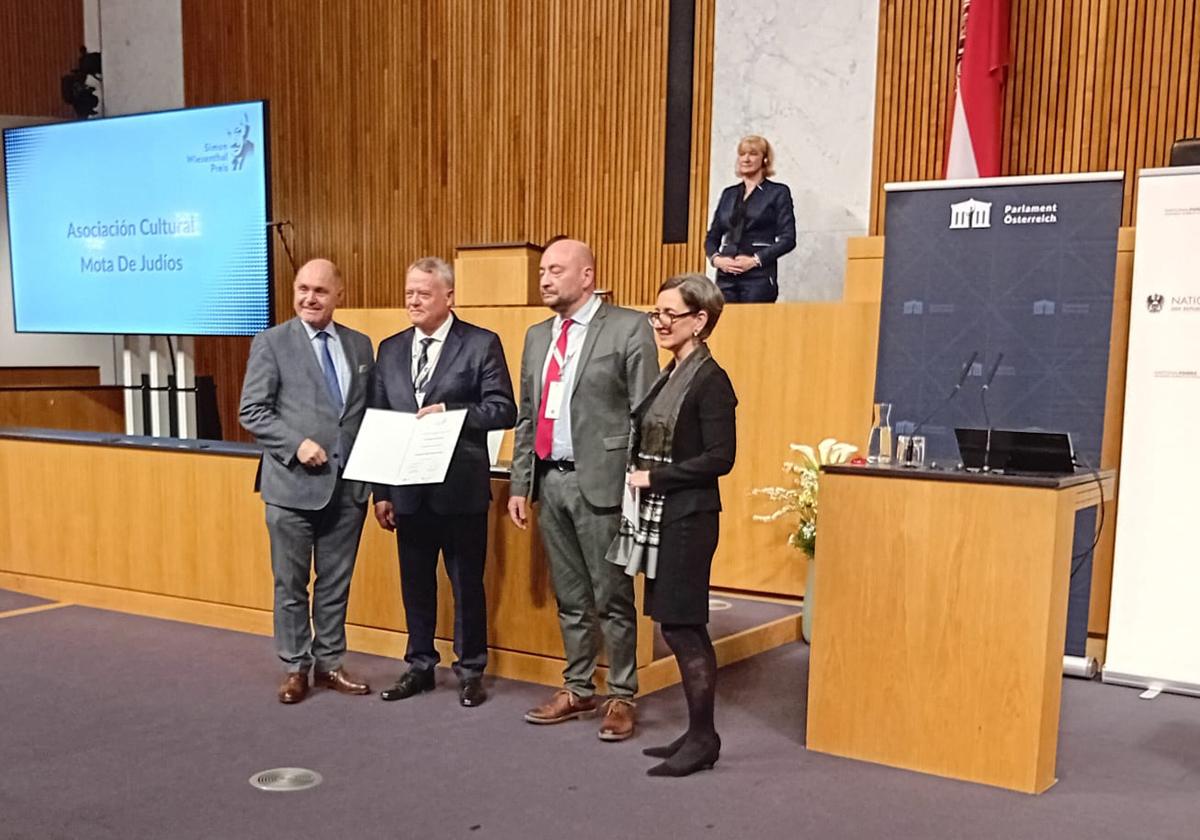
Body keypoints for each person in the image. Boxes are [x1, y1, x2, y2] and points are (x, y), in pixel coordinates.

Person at [507, 237, 658, 741]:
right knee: (569, 596)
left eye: (556, 270)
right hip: (551, 481)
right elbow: (527, 416)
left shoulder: (628, 326)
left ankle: (621, 694)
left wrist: (640, 481)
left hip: (606, 483)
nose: (545, 279)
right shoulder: (535, 336)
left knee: (612, 595)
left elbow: (647, 414)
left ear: (587, 276)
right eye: (543, 270)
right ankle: (578, 687)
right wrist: (519, 483)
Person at [371, 257, 516, 707]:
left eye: (423, 293)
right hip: (407, 490)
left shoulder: (480, 343)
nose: (413, 301)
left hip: (459, 489)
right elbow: (378, 421)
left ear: (448, 297)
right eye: (409, 292)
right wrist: (381, 493)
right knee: (415, 584)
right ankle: (419, 665)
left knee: (466, 584)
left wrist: (451, 414)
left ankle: (471, 669)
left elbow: (503, 409)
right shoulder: (390, 348)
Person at [608, 272, 736, 776]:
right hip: (667, 516)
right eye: (655, 313)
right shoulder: (671, 371)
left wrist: (654, 477)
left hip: (688, 518)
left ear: (700, 320)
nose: (659, 323)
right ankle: (697, 732)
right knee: (676, 623)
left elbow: (720, 458)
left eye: (670, 315)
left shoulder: (711, 380)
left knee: (684, 627)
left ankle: (704, 738)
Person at [239, 258, 376, 704]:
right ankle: (295, 666)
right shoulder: (272, 342)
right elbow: (252, 411)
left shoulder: (360, 346)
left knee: (336, 584)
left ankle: (330, 663)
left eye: (319, 290)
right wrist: (295, 444)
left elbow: (364, 416)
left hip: (348, 489)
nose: (309, 298)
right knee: (291, 585)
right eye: (302, 289)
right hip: (291, 487)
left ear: (340, 294)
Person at [704, 134, 796, 303]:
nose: (746, 159)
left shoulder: (778, 192)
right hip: (726, 277)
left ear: (765, 159)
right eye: (742, 154)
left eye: (753, 154)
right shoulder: (729, 194)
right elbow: (712, 237)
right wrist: (717, 259)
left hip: (758, 277)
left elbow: (788, 239)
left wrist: (755, 260)